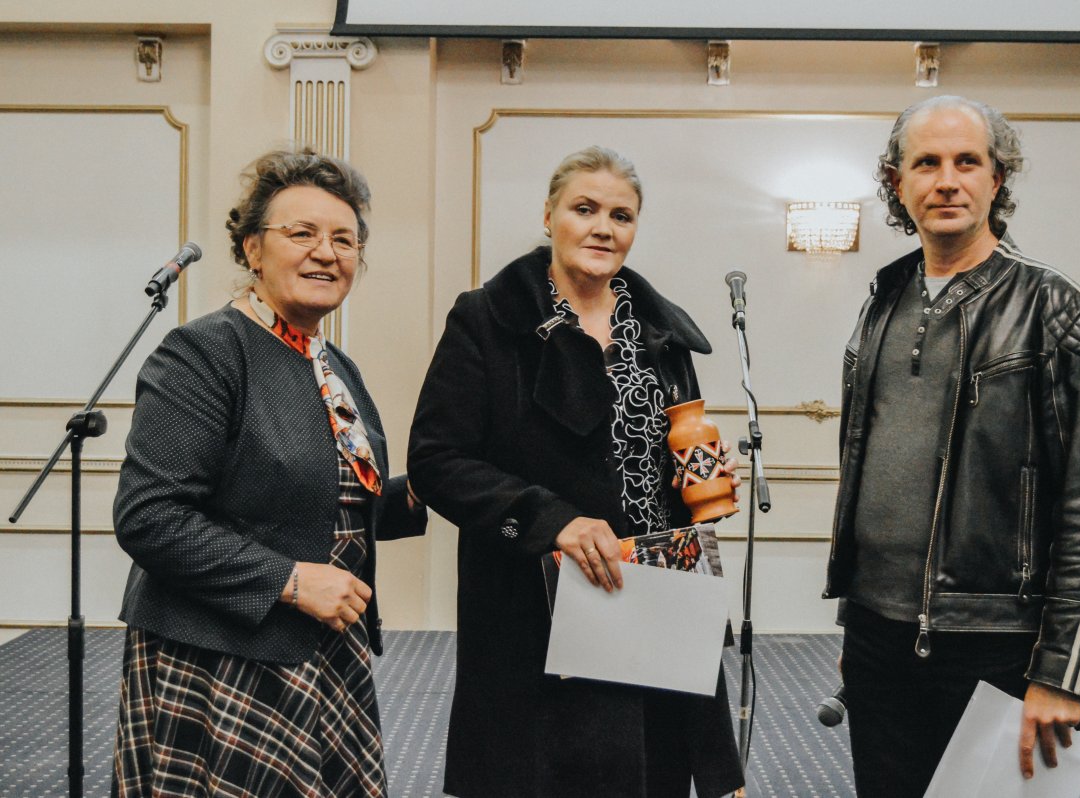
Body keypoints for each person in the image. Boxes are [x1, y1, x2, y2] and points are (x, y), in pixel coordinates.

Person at [408, 146, 745, 798]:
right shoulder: (486, 320)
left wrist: (701, 473)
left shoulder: (662, 334)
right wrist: (550, 520)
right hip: (537, 609)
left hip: (655, 595)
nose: (602, 228)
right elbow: (436, 459)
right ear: (548, 216)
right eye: (584, 209)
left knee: (653, 774)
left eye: (621, 216)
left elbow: (661, 450)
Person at [824, 95, 1080, 797]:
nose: (947, 181)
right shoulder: (882, 301)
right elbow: (867, 475)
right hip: (876, 637)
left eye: (967, 162)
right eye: (926, 163)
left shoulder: (1055, 307)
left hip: (997, 643)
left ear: (997, 178)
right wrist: (855, 628)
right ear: (897, 182)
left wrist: (1062, 672)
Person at [111, 148, 426, 796]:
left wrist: (421, 493)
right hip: (221, 658)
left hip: (322, 649)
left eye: (344, 239)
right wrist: (289, 581)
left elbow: (318, 502)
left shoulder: (333, 365)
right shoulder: (204, 352)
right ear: (253, 249)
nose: (326, 253)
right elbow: (150, 518)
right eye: (302, 233)